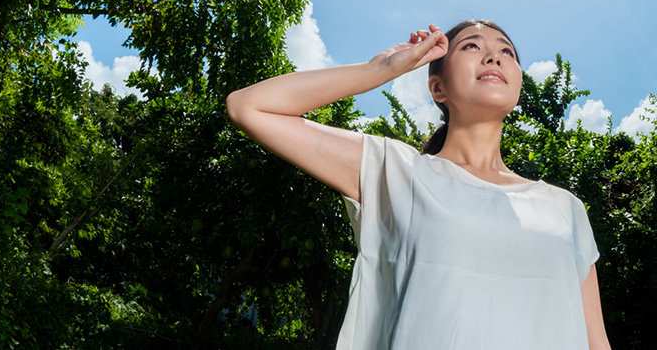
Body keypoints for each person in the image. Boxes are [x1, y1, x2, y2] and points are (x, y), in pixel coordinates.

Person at [226, 20, 612, 350]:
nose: (493, 56)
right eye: (472, 46)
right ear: (437, 87)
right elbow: (249, 107)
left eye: (506, 52)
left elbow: (598, 344)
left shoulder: (566, 209)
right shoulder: (396, 173)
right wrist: (381, 69)